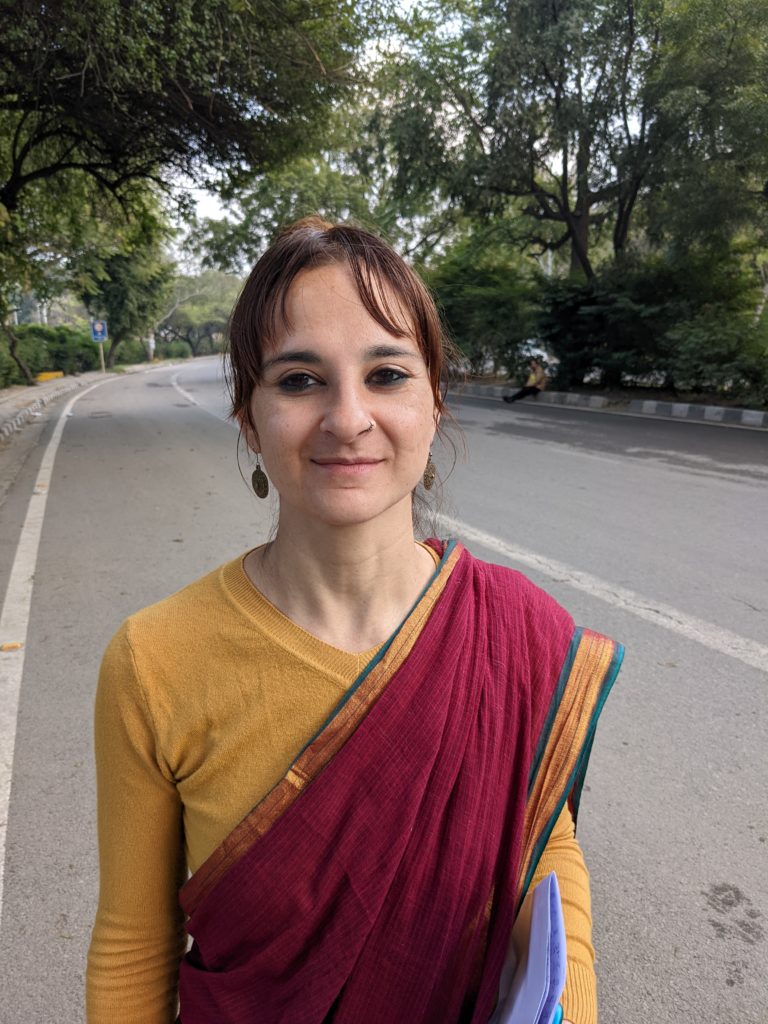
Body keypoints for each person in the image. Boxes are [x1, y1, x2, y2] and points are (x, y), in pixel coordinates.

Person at [87, 218, 623, 1024]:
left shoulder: (519, 633)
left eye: (387, 374)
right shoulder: (154, 660)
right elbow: (134, 944)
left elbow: (543, 842)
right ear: (248, 417)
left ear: (434, 402)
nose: (347, 418)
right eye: (300, 379)